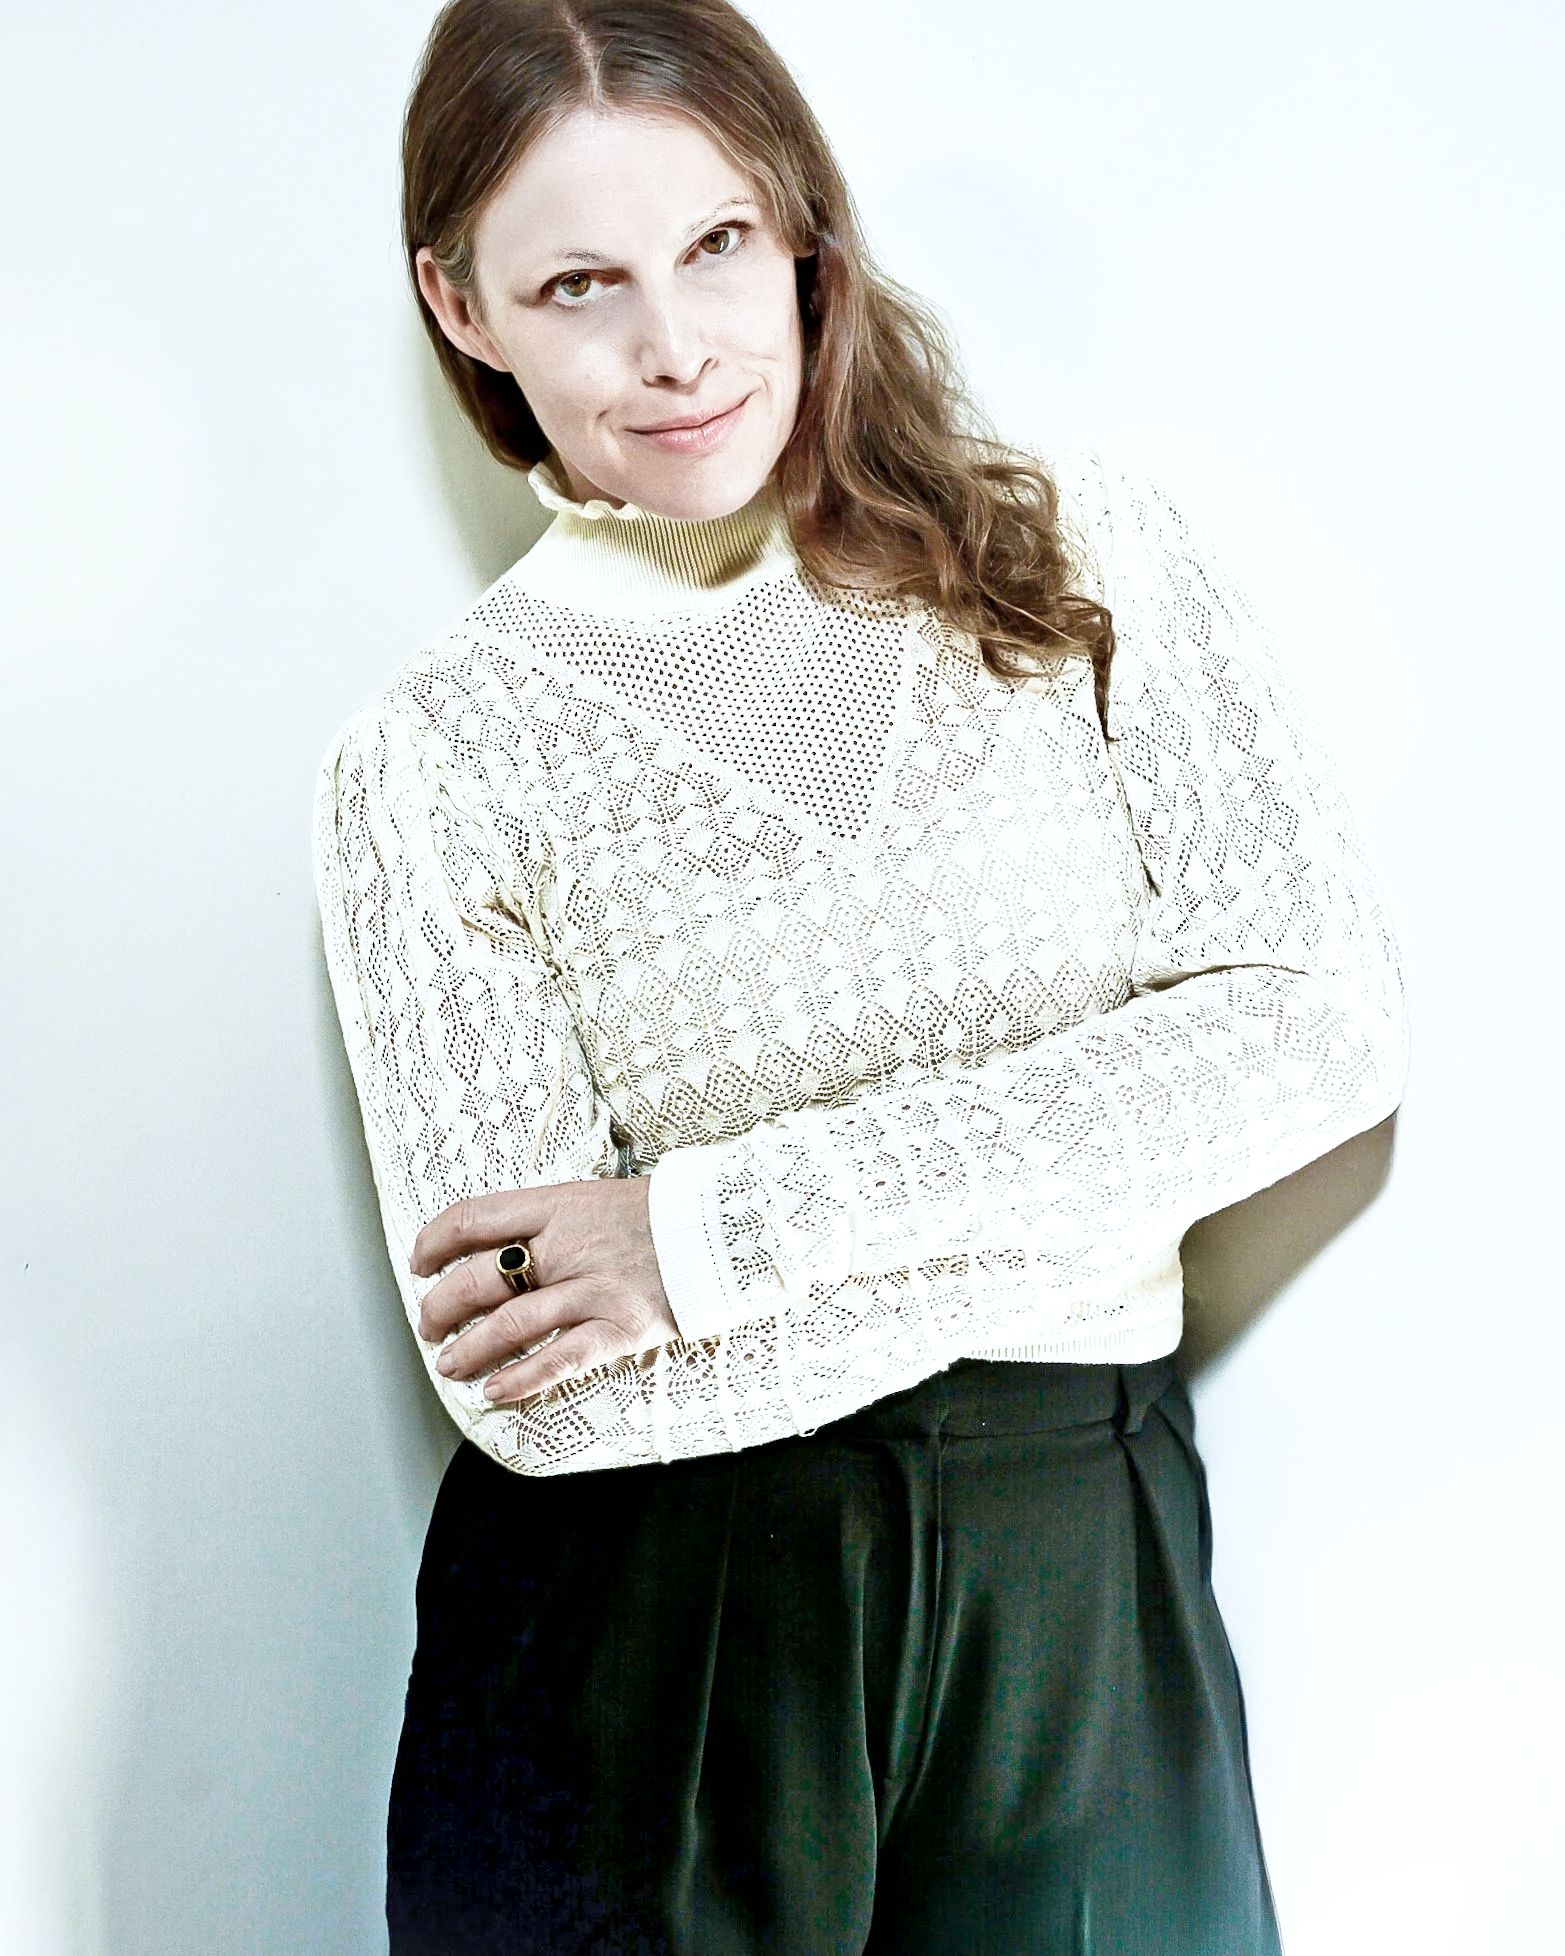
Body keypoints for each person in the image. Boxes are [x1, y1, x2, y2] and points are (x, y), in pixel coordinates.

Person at [314, 0, 1406, 1948]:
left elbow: (1313, 1033)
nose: (674, 346)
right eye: (578, 285)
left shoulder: (1071, 550)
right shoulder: (434, 755)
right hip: (649, 1614)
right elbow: (540, 1390)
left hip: (1077, 1572)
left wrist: (705, 1236)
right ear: (460, 309)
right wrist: (1065, 1219)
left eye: (717, 243)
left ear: (803, 226)